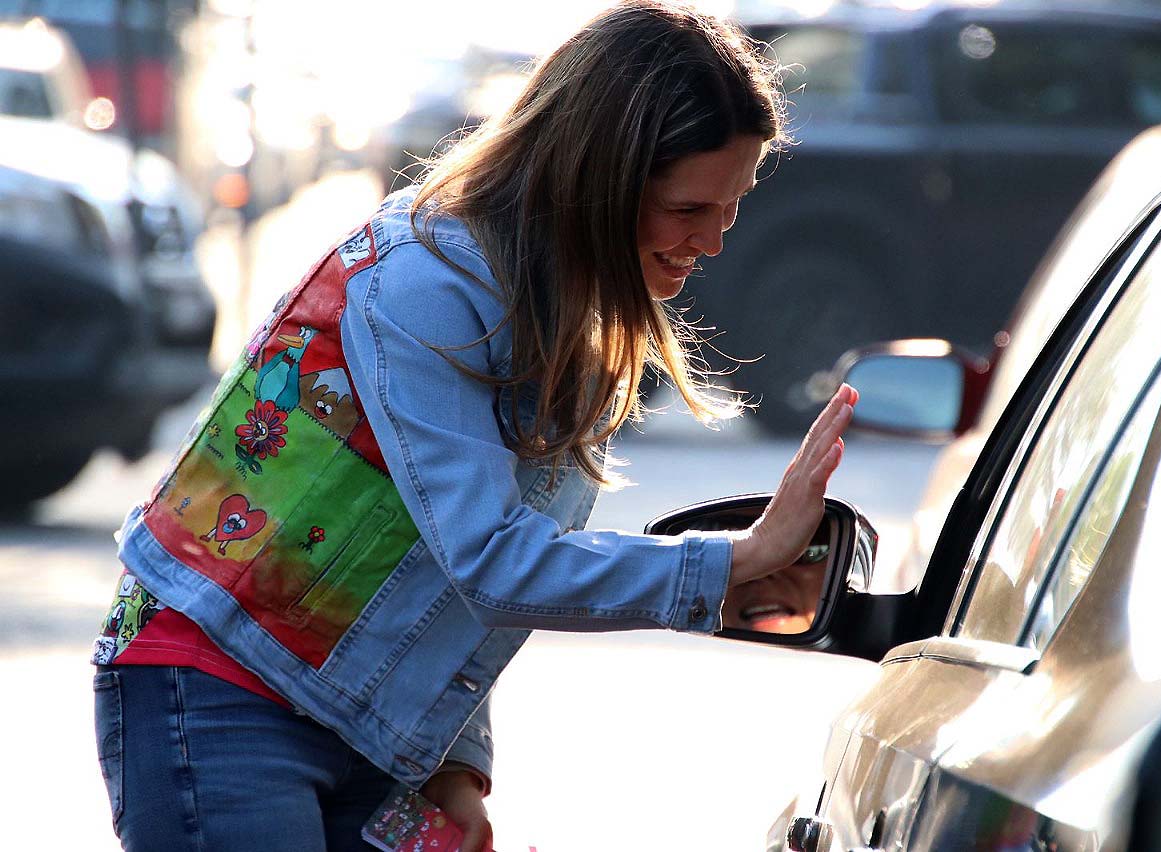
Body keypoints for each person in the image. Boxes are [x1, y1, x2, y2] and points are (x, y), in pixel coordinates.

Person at [90, 3, 859, 850]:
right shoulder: (423, 283)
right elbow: (491, 560)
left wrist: (455, 763)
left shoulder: (570, 311)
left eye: (733, 205)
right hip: (216, 684)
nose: (713, 239)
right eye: (689, 208)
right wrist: (737, 558)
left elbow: (447, 575)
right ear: (597, 182)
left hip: (359, 717)